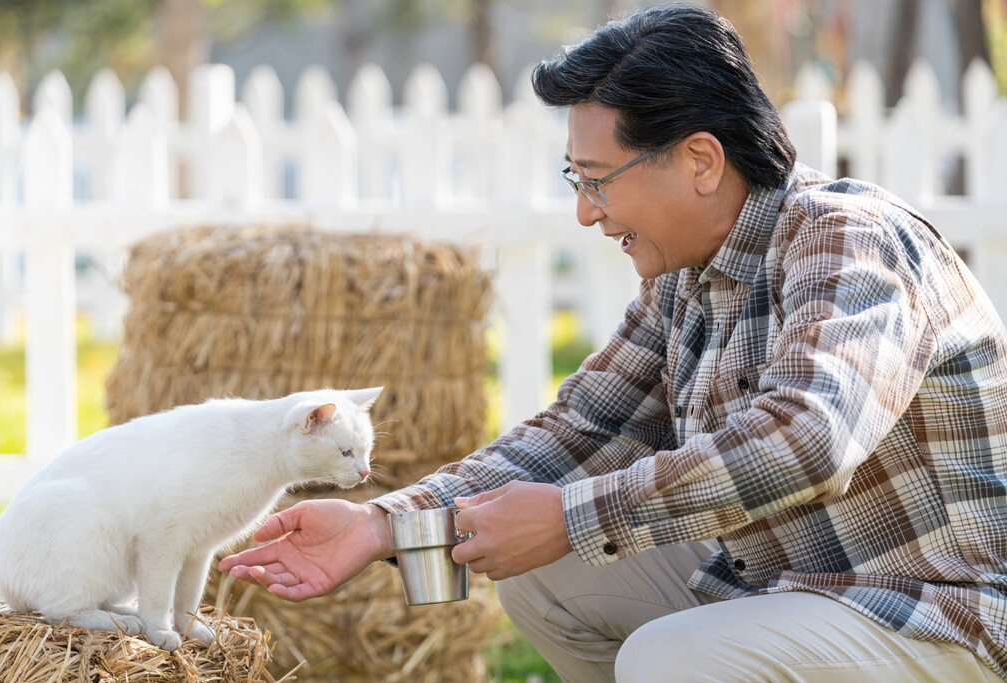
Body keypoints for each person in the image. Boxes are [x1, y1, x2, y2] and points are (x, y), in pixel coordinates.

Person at [219, 4, 1007, 681]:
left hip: (940, 611)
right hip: (802, 587)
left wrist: (569, 516)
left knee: (667, 655)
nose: (586, 213)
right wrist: (380, 523)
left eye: (598, 179)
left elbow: (808, 438)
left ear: (700, 159)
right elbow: (579, 431)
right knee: (546, 580)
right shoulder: (684, 279)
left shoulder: (848, 239)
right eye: (576, 179)